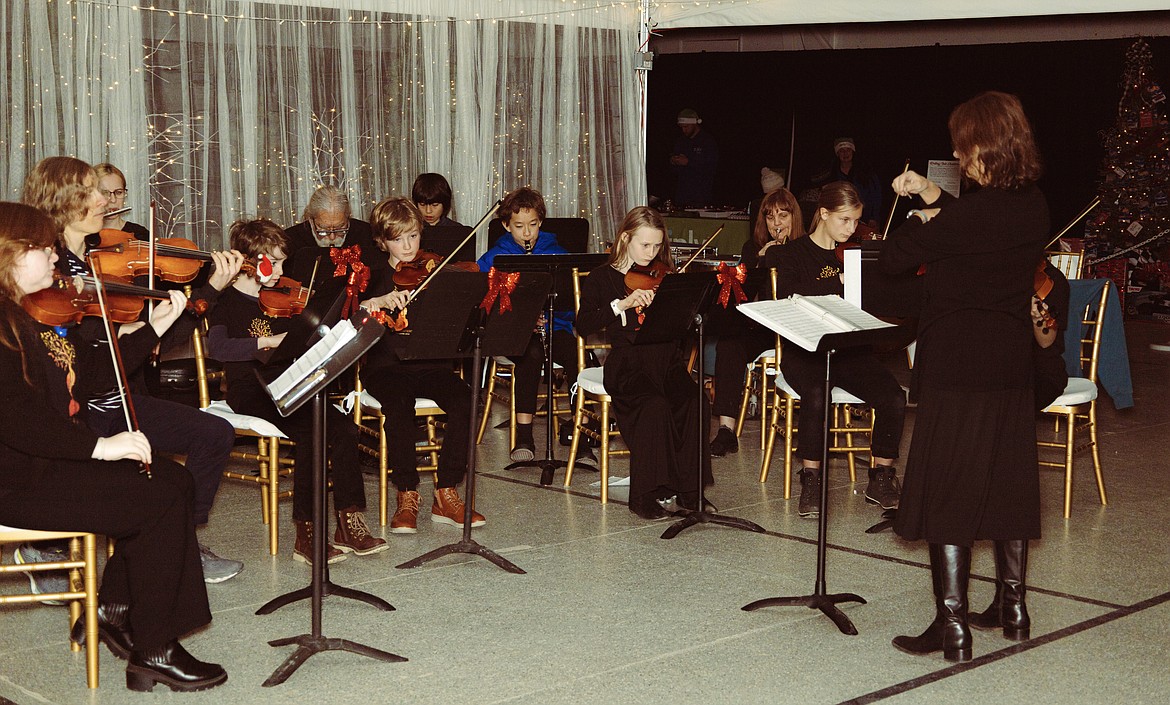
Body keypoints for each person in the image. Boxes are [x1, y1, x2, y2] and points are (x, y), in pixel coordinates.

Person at [0, 201, 226, 692]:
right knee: (157, 496)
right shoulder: (4, 327)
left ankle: (119, 608)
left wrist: (154, 330)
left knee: (174, 479)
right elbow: (18, 423)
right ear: (9, 255)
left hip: (48, 462)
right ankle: (156, 648)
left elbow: (97, 378)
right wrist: (101, 448)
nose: (55, 257)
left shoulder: (37, 316)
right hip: (18, 478)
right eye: (41, 248)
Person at [19, 156, 243, 585]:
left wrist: (207, 293)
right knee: (138, 471)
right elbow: (82, 357)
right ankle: (45, 545)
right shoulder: (46, 271)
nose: (105, 200)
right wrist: (138, 331)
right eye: (93, 192)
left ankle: (182, 538)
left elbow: (139, 341)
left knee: (214, 433)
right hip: (75, 403)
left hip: (112, 393)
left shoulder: (105, 258)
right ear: (63, 201)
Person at [881, 91, 1049, 663]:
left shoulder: (967, 217)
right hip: (1009, 360)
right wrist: (939, 205)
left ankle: (952, 626)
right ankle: (1014, 608)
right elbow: (980, 228)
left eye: (962, 145)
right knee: (1006, 477)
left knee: (949, 484)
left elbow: (894, 260)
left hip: (957, 362)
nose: (958, 153)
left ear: (980, 148)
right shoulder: (1034, 207)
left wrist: (924, 216)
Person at [206, 217, 387, 563]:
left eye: (281, 262)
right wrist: (267, 341)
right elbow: (219, 348)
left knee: (345, 428)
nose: (279, 270)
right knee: (312, 433)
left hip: (292, 381)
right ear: (248, 261)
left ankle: (348, 521)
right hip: (250, 388)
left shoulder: (285, 296)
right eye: (272, 262)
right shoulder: (225, 302)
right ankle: (307, 532)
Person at [763, 181, 906, 517]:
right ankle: (811, 479)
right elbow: (788, 302)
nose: (852, 228)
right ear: (823, 214)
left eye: (856, 221)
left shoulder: (859, 256)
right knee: (816, 394)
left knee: (894, 396)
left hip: (850, 350)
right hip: (805, 351)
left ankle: (882, 476)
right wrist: (836, 284)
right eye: (844, 220)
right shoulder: (789, 254)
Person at [574, 206, 712, 519]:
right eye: (644, 245)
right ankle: (645, 494)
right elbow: (583, 324)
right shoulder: (602, 278)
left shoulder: (662, 275)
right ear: (625, 239)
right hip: (627, 363)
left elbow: (681, 327)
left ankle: (691, 491)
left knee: (695, 402)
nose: (651, 253)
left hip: (666, 361)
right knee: (653, 406)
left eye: (656, 246)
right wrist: (622, 304)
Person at [358, 196, 485, 533]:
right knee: (399, 408)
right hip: (386, 366)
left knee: (466, 401)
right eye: (398, 239)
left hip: (430, 364)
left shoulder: (434, 271)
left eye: (413, 236)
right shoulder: (371, 276)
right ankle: (407, 493)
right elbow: (350, 318)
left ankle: (446, 492)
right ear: (382, 241)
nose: (408, 246)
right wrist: (376, 302)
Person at [476, 186, 579, 461]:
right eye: (519, 226)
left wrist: (553, 314)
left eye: (533, 225)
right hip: (514, 333)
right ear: (506, 225)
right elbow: (483, 301)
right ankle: (524, 435)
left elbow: (573, 299)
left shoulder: (555, 252)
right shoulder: (496, 257)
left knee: (576, 354)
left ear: (540, 223)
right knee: (530, 355)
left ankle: (580, 432)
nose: (527, 233)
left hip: (553, 327)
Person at [709, 188, 805, 457]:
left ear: (793, 217)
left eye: (782, 216)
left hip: (796, 327)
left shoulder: (805, 247)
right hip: (763, 327)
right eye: (770, 217)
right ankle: (726, 430)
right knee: (728, 345)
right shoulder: (752, 249)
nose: (776, 224)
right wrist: (760, 259)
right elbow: (738, 294)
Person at [283, 184, 384, 285]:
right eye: (323, 229)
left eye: (340, 228)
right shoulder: (290, 239)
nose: (332, 237)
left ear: (348, 216)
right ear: (310, 219)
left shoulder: (368, 233)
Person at [812, 137, 883, 228]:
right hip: (842, 221)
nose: (845, 153)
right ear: (837, 153)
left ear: (853, 151)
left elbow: (876, 196)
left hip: (866, 220)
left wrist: (874, 218)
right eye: (841, 151)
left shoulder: (866, 172)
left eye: (848, 150)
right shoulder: (831, 174)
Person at [669, 108, 719, 207]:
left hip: (701, 196)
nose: (684, 130)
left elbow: (712, 167)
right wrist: (673, 161)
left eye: (686, 127)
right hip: (682, 196)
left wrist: (689, 162)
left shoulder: (707, 141)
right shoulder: (681, 141)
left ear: (695, 124)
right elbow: (672, 169)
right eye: (682, 127)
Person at [94, 163, 148, 239]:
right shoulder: (82, 236)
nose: (113, 200)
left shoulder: (140, 234)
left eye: (118, 192)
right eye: (105, 193)